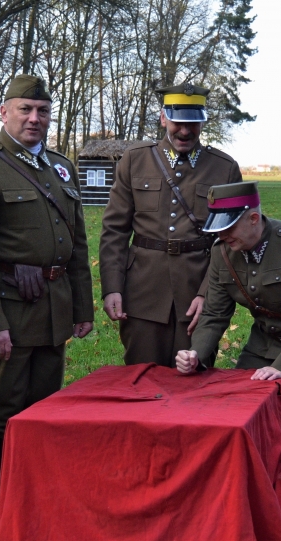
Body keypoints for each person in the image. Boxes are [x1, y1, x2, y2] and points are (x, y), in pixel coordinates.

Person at [0, 75, 94, 538]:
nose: (34, 119)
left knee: (42, 407)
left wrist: (82, 307)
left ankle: (33, 499)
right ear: (4, 112)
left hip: (52, 309)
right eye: (25, 110)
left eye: (42, 111)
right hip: (8, 310)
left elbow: (76, 243)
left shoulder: (60, 167)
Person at [175, 182, 281, 468]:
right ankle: (255, 481)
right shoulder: (222, 252)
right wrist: (196, 354)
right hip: (266, 342)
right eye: (218, 228)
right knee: (240, 410)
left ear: (253, 218)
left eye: (228, 227)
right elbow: (215, 313)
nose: (221, 235)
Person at [99, 83, 242, 367]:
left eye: (193, 123)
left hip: (196, 293)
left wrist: (207, 293)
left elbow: (232, 241)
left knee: (193, 379)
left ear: (202, 122)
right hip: (143, 293)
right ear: (163, 118)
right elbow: (115, 230)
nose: (185, 131)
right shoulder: (135, 160)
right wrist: (112, 287)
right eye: (178, 122)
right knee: (142, 376)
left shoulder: (224, 168)